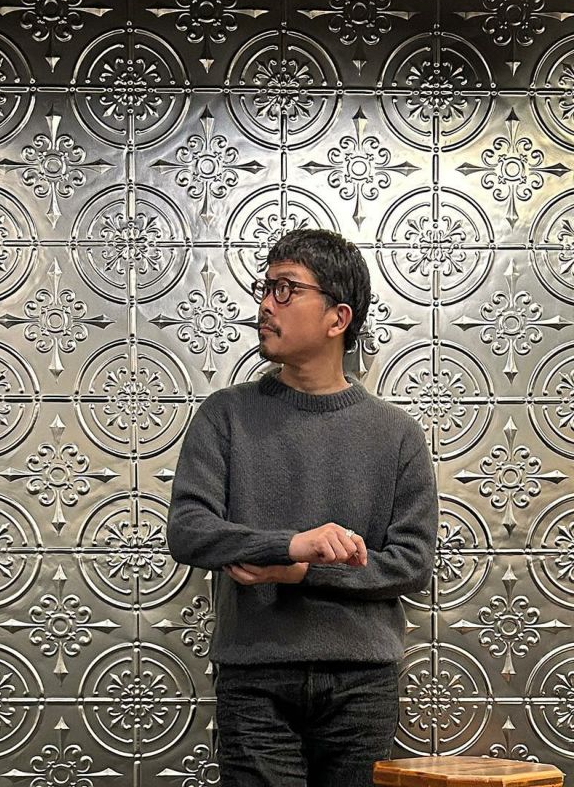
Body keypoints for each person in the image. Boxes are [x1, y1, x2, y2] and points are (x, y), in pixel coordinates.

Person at [167, 228, 439, 787]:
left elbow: (412, 565)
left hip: (362, 683)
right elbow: (189, 531)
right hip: (255, 676)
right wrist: (289, 546)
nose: (266, 304)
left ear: (338, 318)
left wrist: (303, 571)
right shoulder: (225, 415)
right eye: (266, 287)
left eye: (287, 289)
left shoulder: (397, 434)